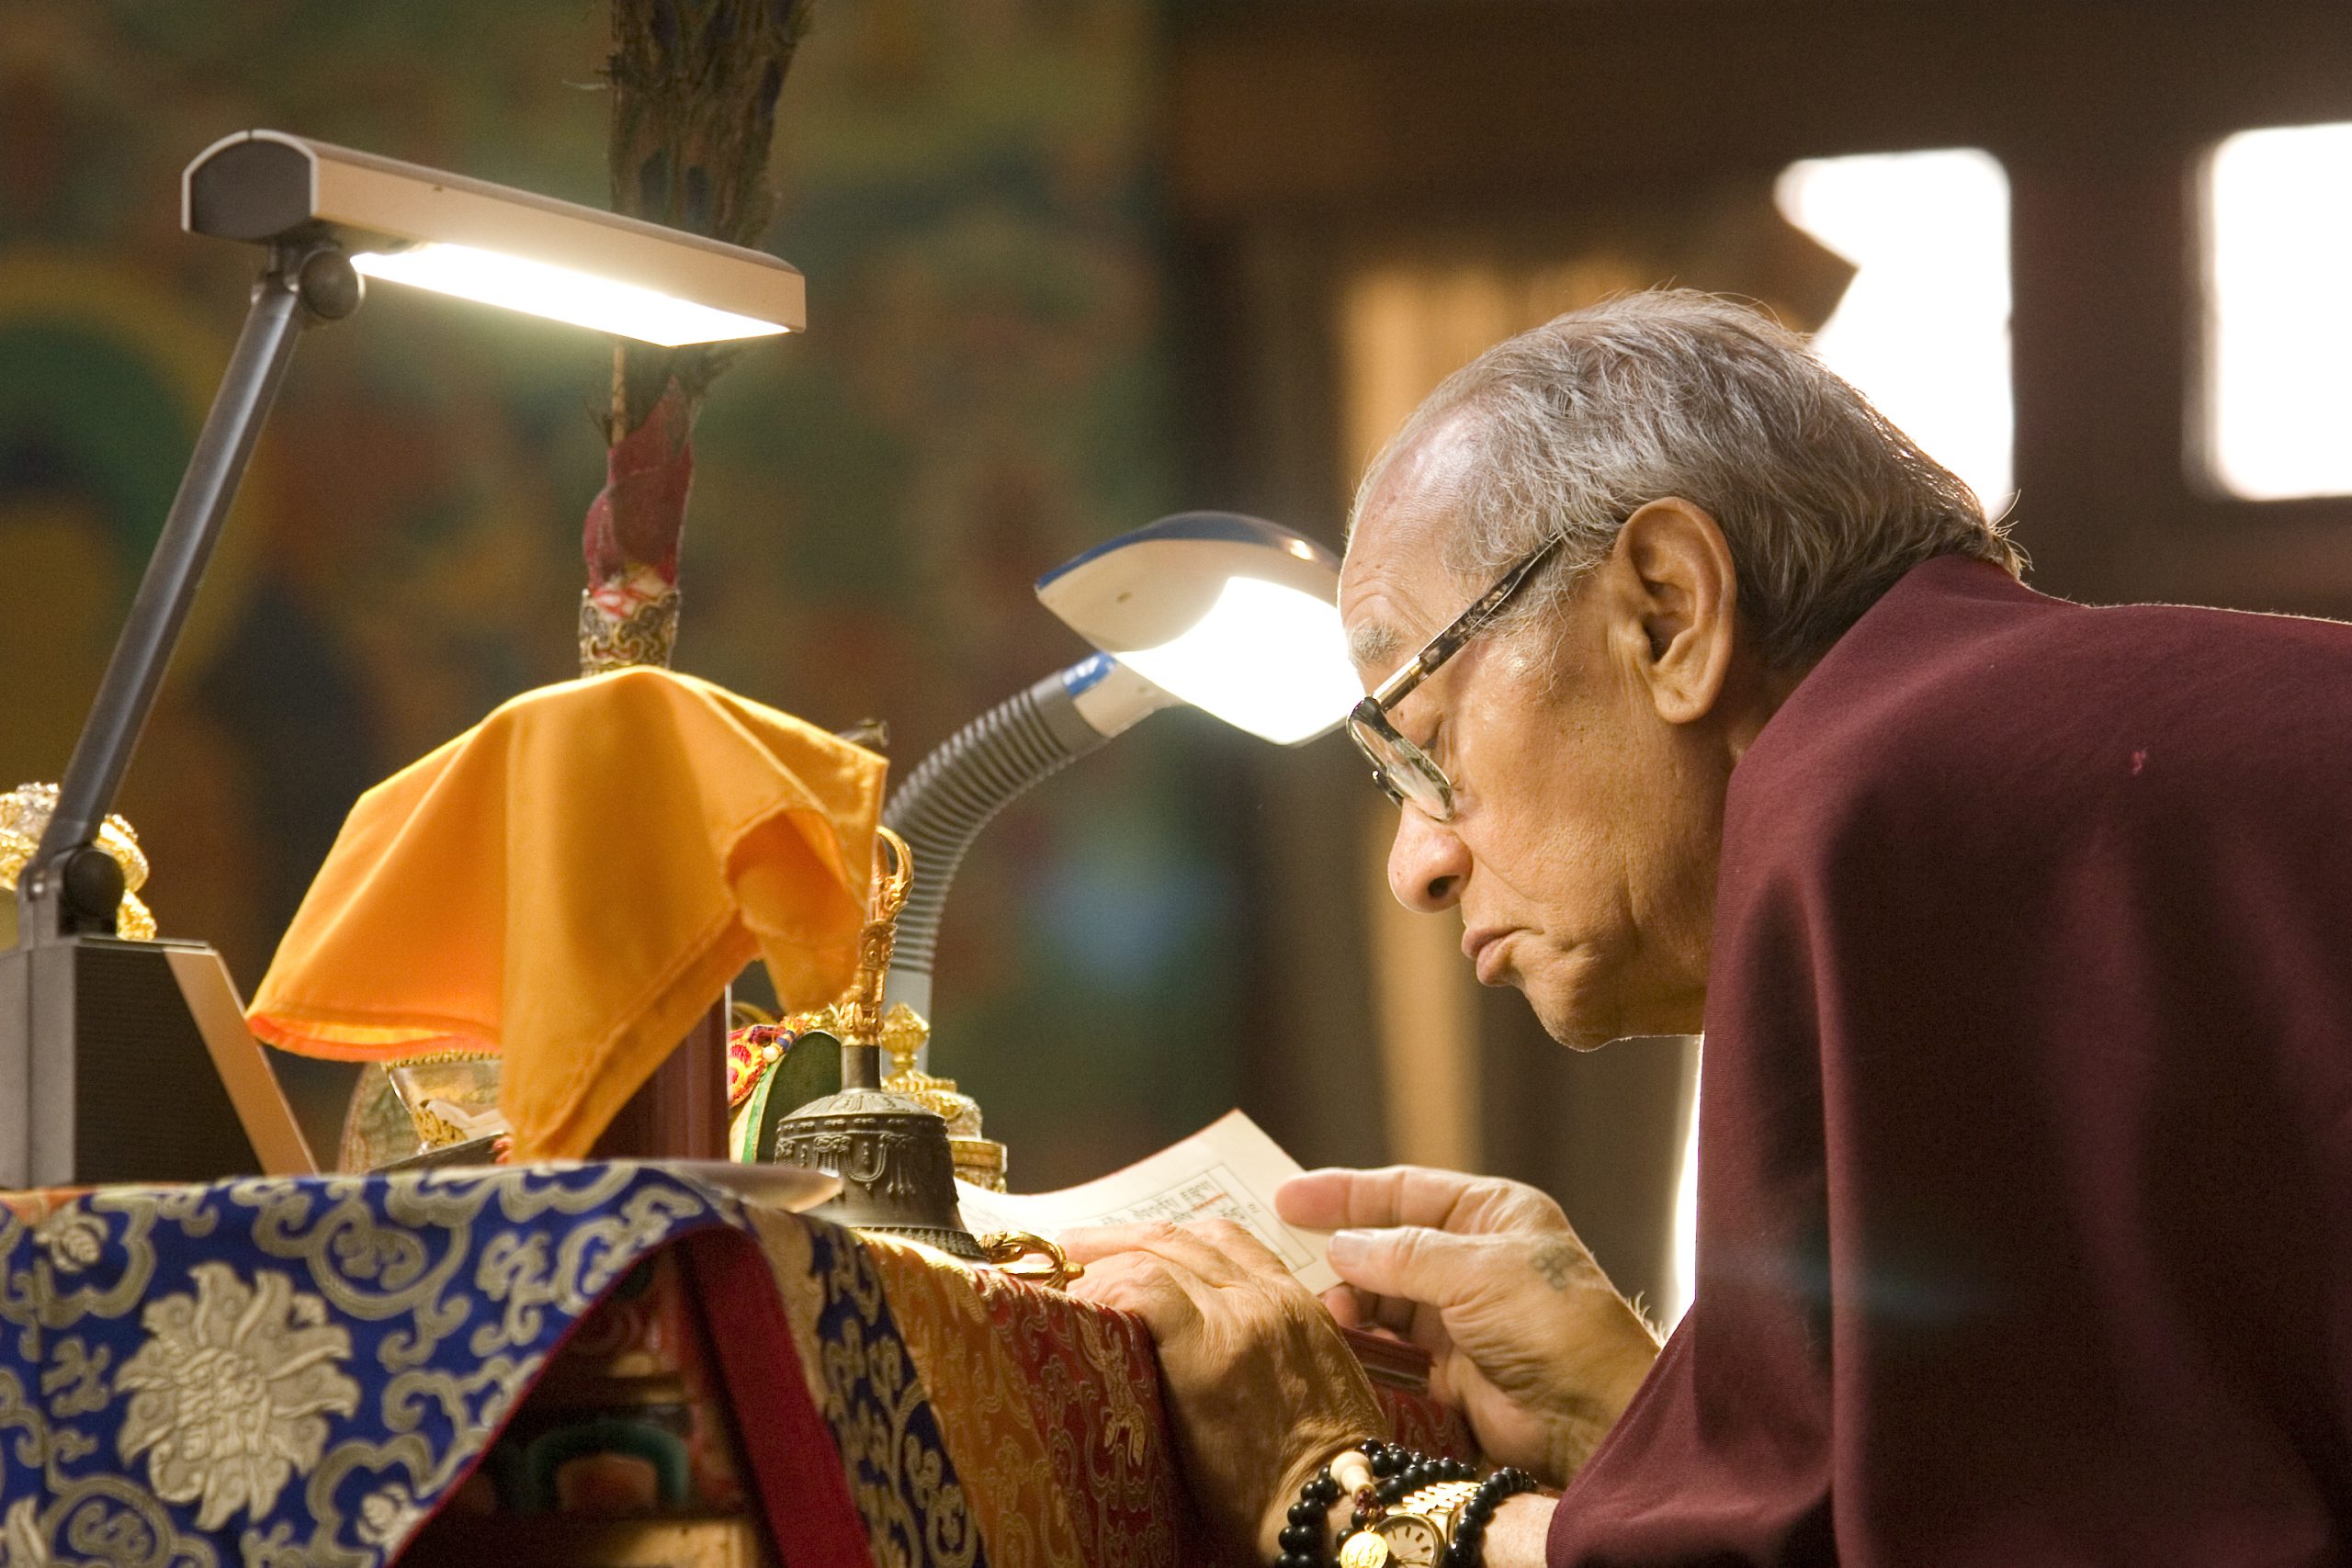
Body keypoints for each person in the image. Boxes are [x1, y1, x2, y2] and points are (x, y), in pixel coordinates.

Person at [1062, 289, 2352, 1567]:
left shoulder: (1878, 796)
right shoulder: (2035, 761)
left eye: (1424, 745)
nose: (1420, 865)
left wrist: (1331, 1493)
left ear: (1667, 611)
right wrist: (1644, 1415)